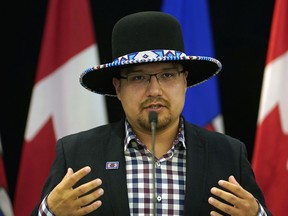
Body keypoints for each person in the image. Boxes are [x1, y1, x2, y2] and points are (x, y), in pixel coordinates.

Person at [33, 11, 271, 216]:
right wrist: (50, 212)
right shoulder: (77, 154)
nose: (154, 90)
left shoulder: (228, 154)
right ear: (118, 87)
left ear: (184, 81)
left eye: (167, 75)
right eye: (138, 78)